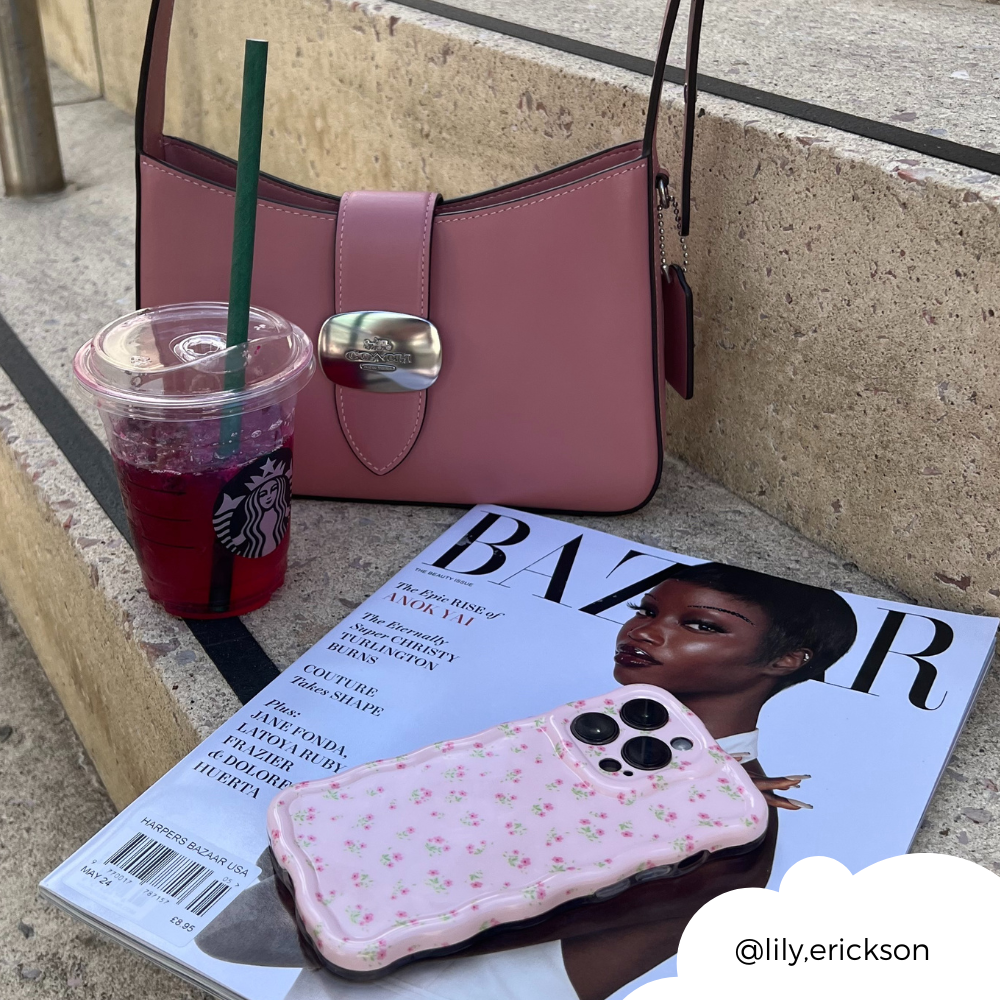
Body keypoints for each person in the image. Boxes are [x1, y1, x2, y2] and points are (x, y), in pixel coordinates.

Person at [196, 561, 857, 1000]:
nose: (647, 633)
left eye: (700, 625)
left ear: (787, 661)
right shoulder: (575, 732)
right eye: (648, 610)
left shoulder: (736, 826)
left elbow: (557, 976)